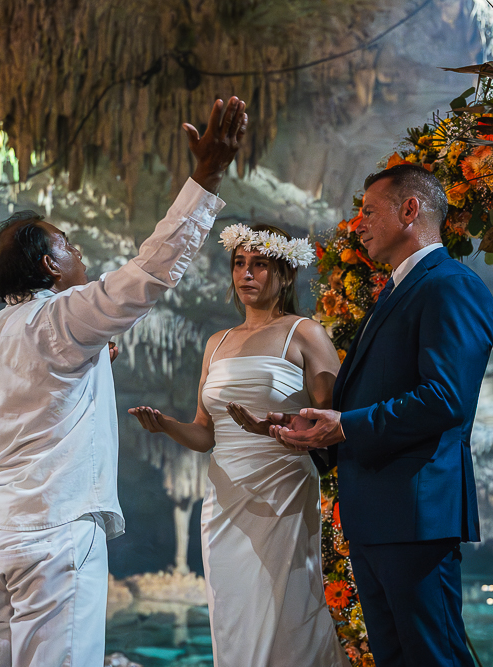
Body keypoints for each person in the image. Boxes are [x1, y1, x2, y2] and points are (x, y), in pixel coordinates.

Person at [0, 96, 247, 666]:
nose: (79, 251)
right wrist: (207, 176)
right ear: (48, 266)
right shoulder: (60, 318)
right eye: (67, 244)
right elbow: (152, 270)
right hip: (52, 534)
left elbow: (15, 413)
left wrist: (87, 366)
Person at [266, 164, 493, 666]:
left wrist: (346, 425)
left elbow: (445, 398)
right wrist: (322, 433)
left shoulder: (450, 285)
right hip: (378, 512)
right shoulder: (396, 289)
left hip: (416, 512)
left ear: (409, 210)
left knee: (433, 656)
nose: (358, 225)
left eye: (369, 211)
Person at [128, 223, 348, 667]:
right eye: (239, 263)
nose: (246, 274)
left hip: (282, 489)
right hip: (225, 497)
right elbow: (206, 433)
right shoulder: (218, 343)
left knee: (285, 610)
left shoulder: (305, 333)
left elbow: (330, 429)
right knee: (233, 612)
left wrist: (275, 432)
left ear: (284, 274)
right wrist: (167, 425)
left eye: (260, 264)